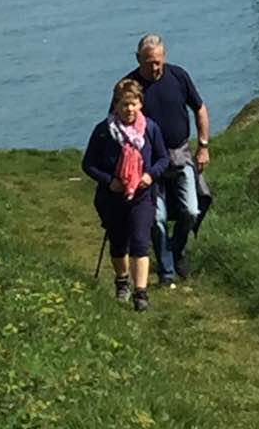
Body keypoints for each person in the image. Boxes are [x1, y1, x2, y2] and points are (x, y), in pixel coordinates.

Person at [126, 34, 210, 287]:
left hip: (181, 153)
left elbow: (200, 109)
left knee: (191, 210)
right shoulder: (130, 86)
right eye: (148, 62)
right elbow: (117, 122)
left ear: (164, 57)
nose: (154, 67)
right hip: (149, 163)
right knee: (157, 220)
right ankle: (167, 271)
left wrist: (203, 146)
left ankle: (177, 249)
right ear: (138, 59)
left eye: (158, 61)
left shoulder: (178, 76)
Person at [82, 79, 169, 311]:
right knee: (119, 243)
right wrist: (109, 181)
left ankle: (141, 294)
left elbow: (163, 158)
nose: (129, 109)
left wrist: (150, 175)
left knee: (140, 242)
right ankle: (122, 282)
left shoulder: (150, 129)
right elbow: (88, 164)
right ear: (116, 105)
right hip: (112, 198)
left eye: (133, 103)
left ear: (141, 104)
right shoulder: (103, 131)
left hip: (142, 196)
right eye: (124, 104)